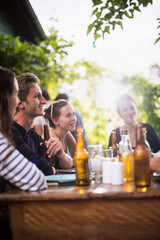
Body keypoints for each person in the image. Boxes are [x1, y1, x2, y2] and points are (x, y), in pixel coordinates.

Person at [0, 67, 48, 192]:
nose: (16, 102)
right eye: (15, 95)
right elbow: (37, 179)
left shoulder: (30, 134)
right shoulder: (5, 138)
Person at [11, 72, 64, 175]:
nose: (44, 101)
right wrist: (51, 169)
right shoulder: (10, 132)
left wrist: (60, 153)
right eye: (37, 96)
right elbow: (34, 162)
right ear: (20, 103)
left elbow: (57, 163)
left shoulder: (33, 135)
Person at [44, 99, 76, 169]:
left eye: (73, 114)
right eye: (68, 115)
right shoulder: (51, 137)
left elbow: (78, 152)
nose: (73, 118)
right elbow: (67, 165)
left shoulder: (66, 133)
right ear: (55, 121)